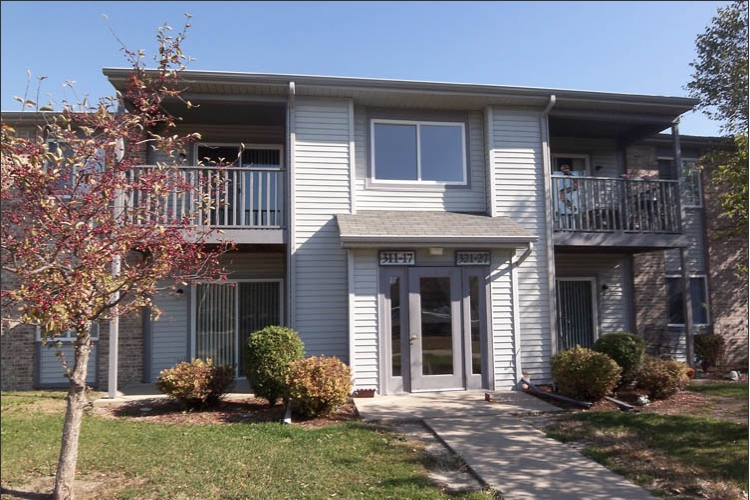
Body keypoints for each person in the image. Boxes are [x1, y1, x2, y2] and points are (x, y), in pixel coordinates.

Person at [557, 164, 579, 228]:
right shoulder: (564, 175)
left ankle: (572, 207)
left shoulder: (571, 175)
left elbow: (575, 182)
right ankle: (572, 207)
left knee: (562, 193)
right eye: (562, 170)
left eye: (563, 170)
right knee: (561, 194)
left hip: (574, 188)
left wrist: (574, 185)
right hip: (571, 188)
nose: (563, 171)